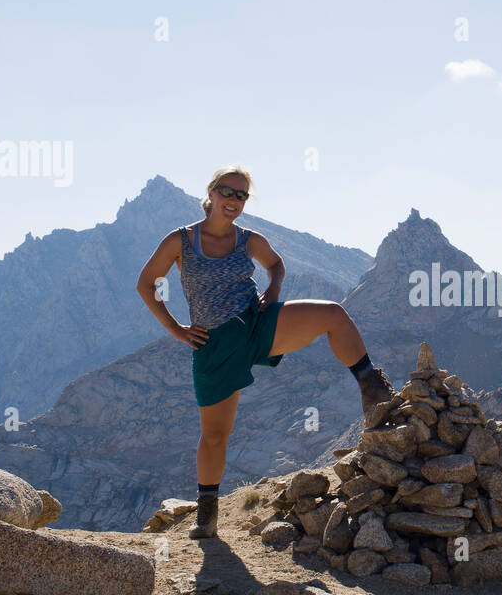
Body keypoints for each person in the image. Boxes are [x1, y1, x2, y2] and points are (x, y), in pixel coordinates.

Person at [136, 166, 395, 538]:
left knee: (333, 315)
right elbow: (146, 283)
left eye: (242, 195)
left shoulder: (248, 239)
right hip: (214, 345)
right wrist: (175, 328)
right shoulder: (180, 241)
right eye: (228, 192)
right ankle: (207, 513)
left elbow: (275, 264)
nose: (234, 201)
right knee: (215, 435)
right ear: (211, 192)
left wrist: (273, 291)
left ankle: (373, 389)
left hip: (256, 324)